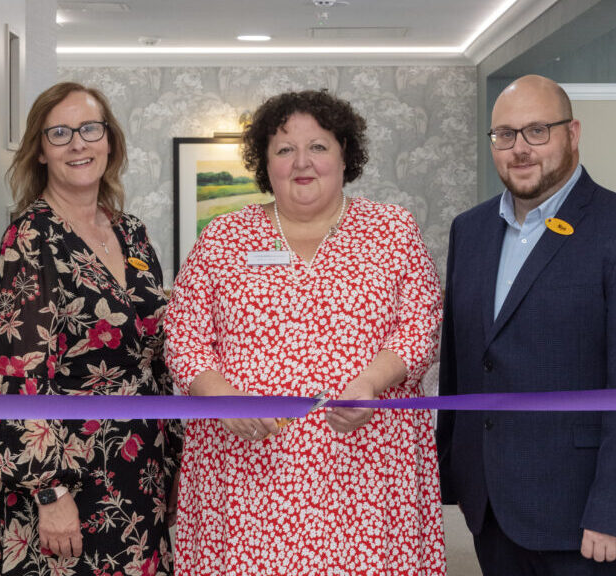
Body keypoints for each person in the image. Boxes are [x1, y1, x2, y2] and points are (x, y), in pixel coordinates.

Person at [164, 90, 446, 575]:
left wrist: (370, 383)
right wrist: (222, 395)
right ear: (265, 163)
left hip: (367, 467)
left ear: (344, 154)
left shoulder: (392, 230)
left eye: (317, 146)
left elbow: (421, 325)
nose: (302, 162)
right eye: (283, 149)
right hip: (247, 469)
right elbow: (183, 336)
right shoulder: (223, 237)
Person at [436, 75, 616, 576]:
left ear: (573, 133)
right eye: (504, 135)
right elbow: (464, 360)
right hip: (494, 512)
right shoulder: (472, 230)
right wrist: (460, 476)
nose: (519, 149)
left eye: (536, 131)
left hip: (592, 523)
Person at [0, 82, 181, 576]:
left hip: (141, 467)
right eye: (60, 134)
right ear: (41, 152)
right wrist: (49, 492)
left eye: (90, 129)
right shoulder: (30, 239)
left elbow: (158, 353)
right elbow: (19, 377)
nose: (78, 144)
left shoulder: (131, 231)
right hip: (67, 479)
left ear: (109, 141)